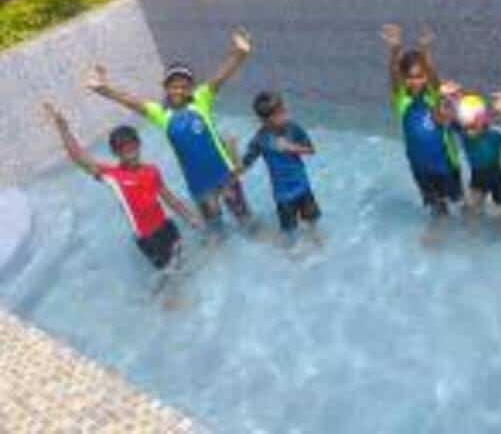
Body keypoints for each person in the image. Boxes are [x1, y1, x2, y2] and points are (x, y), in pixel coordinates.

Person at [85, 28, 254, 231]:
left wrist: (240, 53)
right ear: (165, 87)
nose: (179, 90)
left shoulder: (201, 100)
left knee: (246, 220)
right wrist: (103, 88)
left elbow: (219, 78)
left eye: (184, 86)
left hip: (225, 175)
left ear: (191, 87)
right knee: (216, 231)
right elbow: (130, 101)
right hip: (199, 185)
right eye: (173, 86)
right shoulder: (162, 114)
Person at [44, 103, 202, 271]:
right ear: (115, 153)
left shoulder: (151, 170)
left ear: (139, 145)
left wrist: (190, 217)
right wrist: (63, 128)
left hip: (166, 226)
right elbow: (78, 157)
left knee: (185, 263)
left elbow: (169, 198)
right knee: (169, 275)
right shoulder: (112, 176)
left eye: (133, 148)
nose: (131, 153)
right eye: (124, 151)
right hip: (147, 238)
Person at [380, 24, 462, 218]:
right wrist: (394, 50)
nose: (415, 81)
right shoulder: (402, 101)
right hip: (420, 166)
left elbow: (434, 76)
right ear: (403, 77)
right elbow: (393, 76)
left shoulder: (433, 96)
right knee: (435, 206)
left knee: (458, 201)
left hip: (446, 164)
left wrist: (425, 50)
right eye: (410, 77)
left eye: (419, 76)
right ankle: (439, 228)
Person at [234, 92, 321, 244]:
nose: (285, 116)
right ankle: (293, 254)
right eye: (279, 114)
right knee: (289, 232)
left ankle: (316, 241)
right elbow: (246, 164)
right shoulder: (260, 139)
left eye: (284, 111)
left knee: (312, 223)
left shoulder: (293, 129)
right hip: (283, 195)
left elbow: (311, 149)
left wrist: (291, 147)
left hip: (302, 187)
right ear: (265, 120)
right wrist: (233, 152)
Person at [441, 86, 501, 216]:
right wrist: (449, 98)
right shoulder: (462, 131)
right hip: (478, 176)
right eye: (467, 127)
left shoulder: (493, 135)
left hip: (498, 179)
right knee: (467, 212)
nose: (469, 132)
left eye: (473, 126)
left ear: (483, 122)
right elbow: (443, 117)